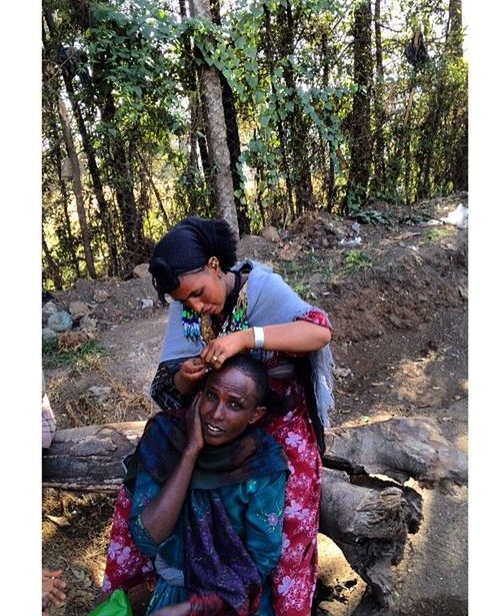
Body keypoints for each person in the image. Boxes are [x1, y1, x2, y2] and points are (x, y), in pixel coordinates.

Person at [103, 217, 334, 616]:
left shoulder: (260, 289)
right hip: (215, 418)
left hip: (278, 425)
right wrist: (184, 377)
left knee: (286, 540)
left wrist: (246, 338)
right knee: (146, 482)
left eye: (197, 293)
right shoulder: (189, 307)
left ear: (214, 265)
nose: (194, 306)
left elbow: (319, 331)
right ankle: (134, 595)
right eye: (183, 301)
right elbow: (164, 390)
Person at [127, 355, 288, 615]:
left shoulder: (261, 462)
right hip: (171, 590)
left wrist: (194, 607)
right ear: (199, 394)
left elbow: (261, 559)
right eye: (211, 396)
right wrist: (191, 452)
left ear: (254, 415)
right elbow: (146, 539)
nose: (216, 414)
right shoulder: (166, 436)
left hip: (232, 601)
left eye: (234, 405)